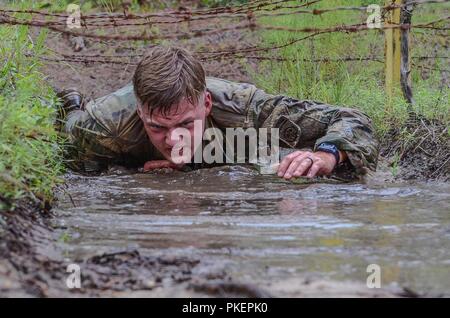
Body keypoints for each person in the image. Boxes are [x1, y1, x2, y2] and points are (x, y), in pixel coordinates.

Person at [57, 46, 379, 180]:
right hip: (99, 121)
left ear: (206, 104)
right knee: (71, 122)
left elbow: (352, 118)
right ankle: (72, 99)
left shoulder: (245, 108)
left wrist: (327, 155)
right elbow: (70, 169)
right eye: (158, 128)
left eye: (185, 123)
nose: (174, 139)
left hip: (225, 127)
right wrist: (127, 172)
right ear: (142, 115)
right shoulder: (103, 126)